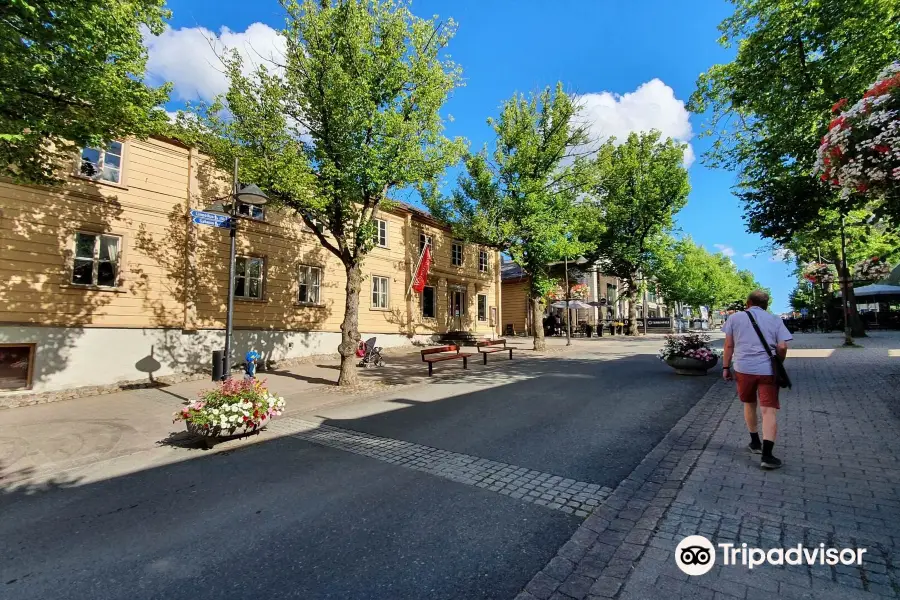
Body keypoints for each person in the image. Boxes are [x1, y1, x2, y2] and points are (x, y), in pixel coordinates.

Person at [722, 290, 792, 469]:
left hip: (743, 368)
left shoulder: (734, 318)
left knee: (749, 403)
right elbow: (782, 346)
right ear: (766, 305)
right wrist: (779, 362)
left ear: (748, 303)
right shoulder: (775, 319)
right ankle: (767, 456)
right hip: (767, 370)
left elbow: (729, 345)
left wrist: (725, 367)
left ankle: (754, 442)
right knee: (769, 411)